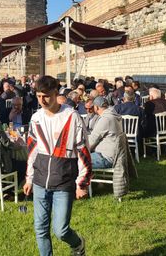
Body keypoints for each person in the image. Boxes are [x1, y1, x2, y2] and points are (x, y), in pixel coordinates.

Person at [23, 76, 91, 256]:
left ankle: (77, 243)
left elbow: (83, 150)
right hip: (39, 180)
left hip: (63, 180)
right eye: (38, 96)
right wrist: (29, 178)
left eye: (46, 96)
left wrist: (81, 183)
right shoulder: (36, 118)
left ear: (55, 93)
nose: (42, 100)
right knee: (40, 229)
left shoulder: (72, 117)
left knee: (60, 230)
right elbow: (32, 151)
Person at [88, 97, 123, 169]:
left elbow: (93, 140)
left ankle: (82, 179)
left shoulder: (106, 119)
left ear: (96, 107)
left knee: (76, 160)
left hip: (105, 157)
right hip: (112, 155)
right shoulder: (113, 115)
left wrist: (80, 150)